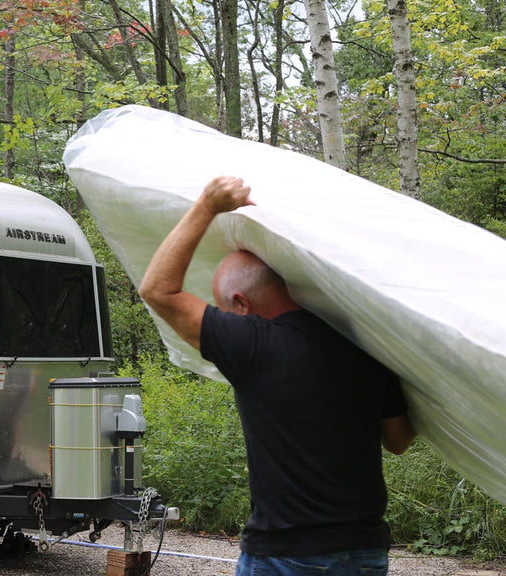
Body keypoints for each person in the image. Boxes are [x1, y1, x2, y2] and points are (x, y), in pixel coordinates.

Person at [138, 175, 416, 576]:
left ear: (241, 303)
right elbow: (399, 440)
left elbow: (158, 291)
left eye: (224, 310)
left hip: (288, 553)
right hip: (365, 551)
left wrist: (208, 205)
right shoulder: (364, 344)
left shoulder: (254, 346)